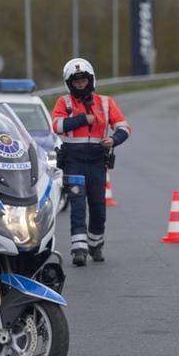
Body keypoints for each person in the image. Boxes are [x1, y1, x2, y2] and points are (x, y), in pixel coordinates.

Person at [51, 58, 131, 267]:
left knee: (97, 205)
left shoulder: (106, 102)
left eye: (83, 79)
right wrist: (82, 119)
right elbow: (56, 125)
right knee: (77, 204)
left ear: (90, 79)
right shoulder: (64, 102)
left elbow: (124, 127)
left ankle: (96, 245)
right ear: (69, 82)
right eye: (76, 80)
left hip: (97, 160)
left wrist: (114, 140)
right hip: (73, 160)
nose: (80, 83)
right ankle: (79, 249)